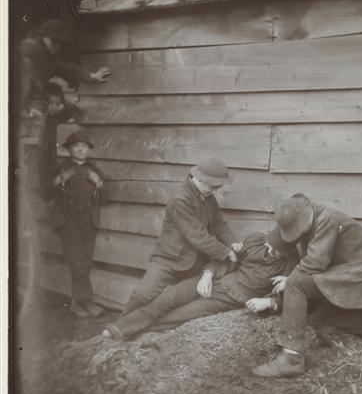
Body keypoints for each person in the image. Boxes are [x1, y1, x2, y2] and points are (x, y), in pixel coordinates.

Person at [252, 194, 362, 379]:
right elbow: (288, 235)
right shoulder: (309, 217)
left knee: (296, 284)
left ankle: (292, 358)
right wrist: (273, 243)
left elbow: (315, 263)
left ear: (304, 216)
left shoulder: (326, 219)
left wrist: (289, 281)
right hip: (349, 272)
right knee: (316, 320)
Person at [102, 227, 300, 340]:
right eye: (270, 246)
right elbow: (228, 258)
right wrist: (208, 273)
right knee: (169, 297)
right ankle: (118, 329)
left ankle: (133, 335)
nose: (271, 252)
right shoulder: (256, 240)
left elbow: (289, 296)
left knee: (179, 315)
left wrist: (269, 302)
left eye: (278, 251)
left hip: (230, 297)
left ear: (290, 250)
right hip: (216, 279)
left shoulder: (290, 265)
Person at [121, 158, 243, 316]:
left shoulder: (207, 197)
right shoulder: (180, 200)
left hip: (195, 262)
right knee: (143, 294)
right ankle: (119, 324)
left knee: (184, 301)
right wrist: (226, 253)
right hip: (169, 260)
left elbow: (219, 225)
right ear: (200, 179)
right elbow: (197, 236)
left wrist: (233, 243)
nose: (215, 191)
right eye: (214, 186)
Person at [52, 130, 109, 317]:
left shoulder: (94, 170)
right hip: (68, 222)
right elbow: (48, 192)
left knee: (85, 262)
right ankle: (87, 301)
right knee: (77, 262)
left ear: (88, 150)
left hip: (88, 222)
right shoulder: (62, 168)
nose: (80, 149)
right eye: (76, 146)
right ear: (69, 149)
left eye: (83, 146)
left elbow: (105, 197)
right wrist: (60, 179)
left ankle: (77, 302)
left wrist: (98, 182)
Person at [19, 18, 111, 119]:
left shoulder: (48, 58)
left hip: (36, 102)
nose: (57, 46)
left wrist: (92, 76)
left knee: (65, 109)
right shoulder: (29, 48)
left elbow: (69, 69)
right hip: (23, 102)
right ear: (45, 37)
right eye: (54, 41)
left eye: (59, 43)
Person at [39, 82, 79, 202]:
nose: (53, 107)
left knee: (56, 184)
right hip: (43, 156)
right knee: (45, 184)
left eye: (57, 104)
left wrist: (64, 103)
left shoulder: (59, 117)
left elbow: (73, 109)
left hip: (54, 156)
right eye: (50, 103)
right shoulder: (42, 117)